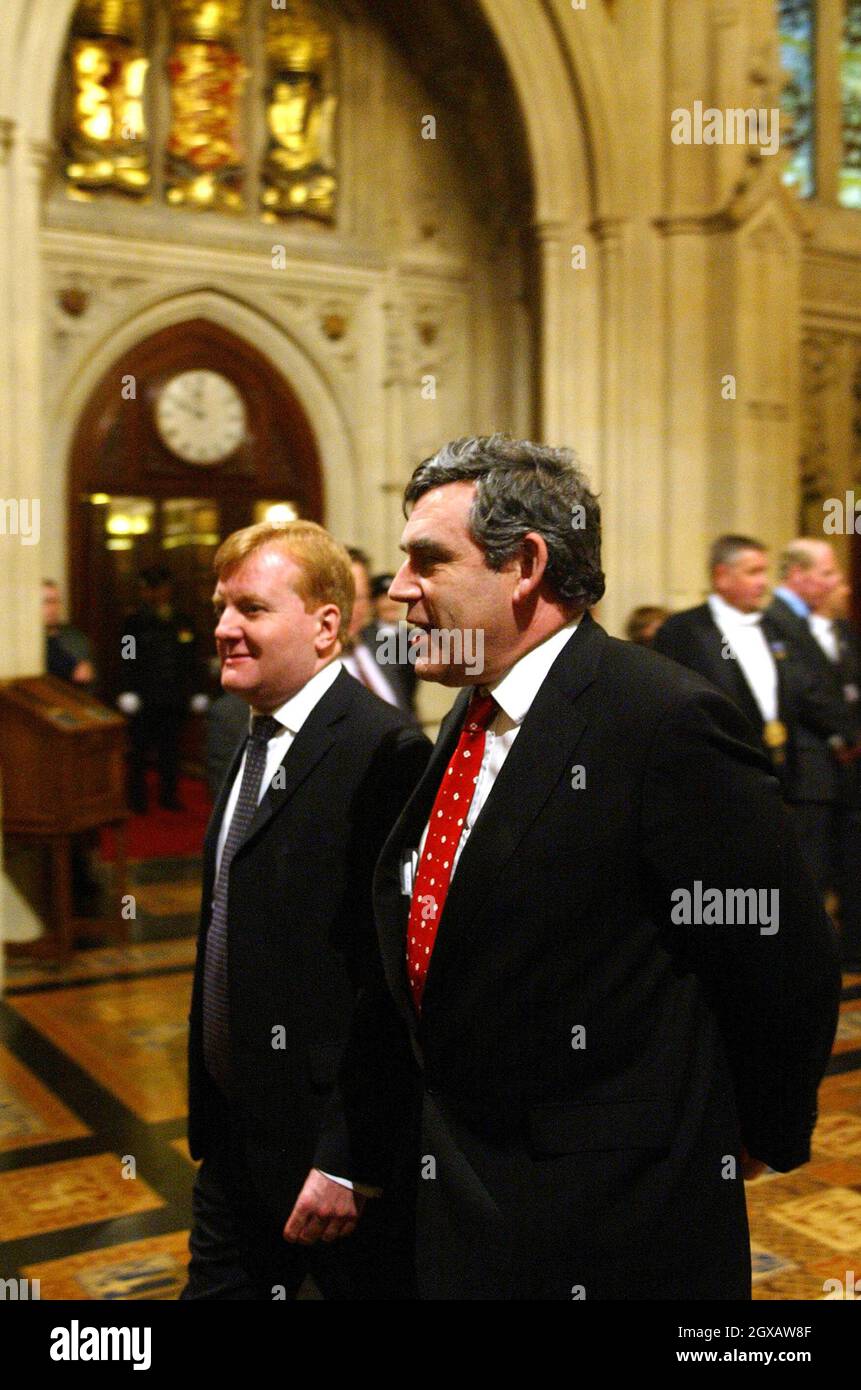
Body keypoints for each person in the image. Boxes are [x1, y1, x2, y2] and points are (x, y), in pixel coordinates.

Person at [290, 434, 841, 1300]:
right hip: (465, 1199)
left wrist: (747, 1132)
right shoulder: (468, 719)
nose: (397, 589)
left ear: (526, 565)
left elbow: (779, 950)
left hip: (611, 1218)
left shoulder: (659, 719)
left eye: (426, 560)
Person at [183, 521, 430, 1300]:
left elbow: (392, 984)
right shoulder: (250, 734)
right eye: (222, 607)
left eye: (250, 609)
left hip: (322, 1156)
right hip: (235, 1133)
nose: (224, 628)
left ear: (326, 625)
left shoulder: (382, 751)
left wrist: (349, 1154)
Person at [653, 535, 846, 792]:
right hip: (713, 778)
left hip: (780, 777)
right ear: (721, 576)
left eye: (764, 572)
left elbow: (805, 689)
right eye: (753, 572)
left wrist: (846, 730)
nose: (763, 583)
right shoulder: (684, 630)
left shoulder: (774, 627)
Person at [764, 541, 858, 896]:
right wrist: (848, 733)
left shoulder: (803, 621)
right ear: (797, 575)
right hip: (804, 769)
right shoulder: (778, 622)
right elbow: (803, 690)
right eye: (827, 573)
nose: (834, 582)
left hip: (823, 766)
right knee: (807, 876)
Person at [119, 565, 204, 813]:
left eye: (161, 588)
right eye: (151, 589)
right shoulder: (133, 622)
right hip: (144, 697)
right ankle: (137, 798)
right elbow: (127, 655)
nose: (156, 594)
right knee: (139, 751)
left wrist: (197, 690)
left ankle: (169, 795)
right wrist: (128, 690)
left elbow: (191, 658)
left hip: (173, 696)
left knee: (171, 750)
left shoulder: (182, 620)